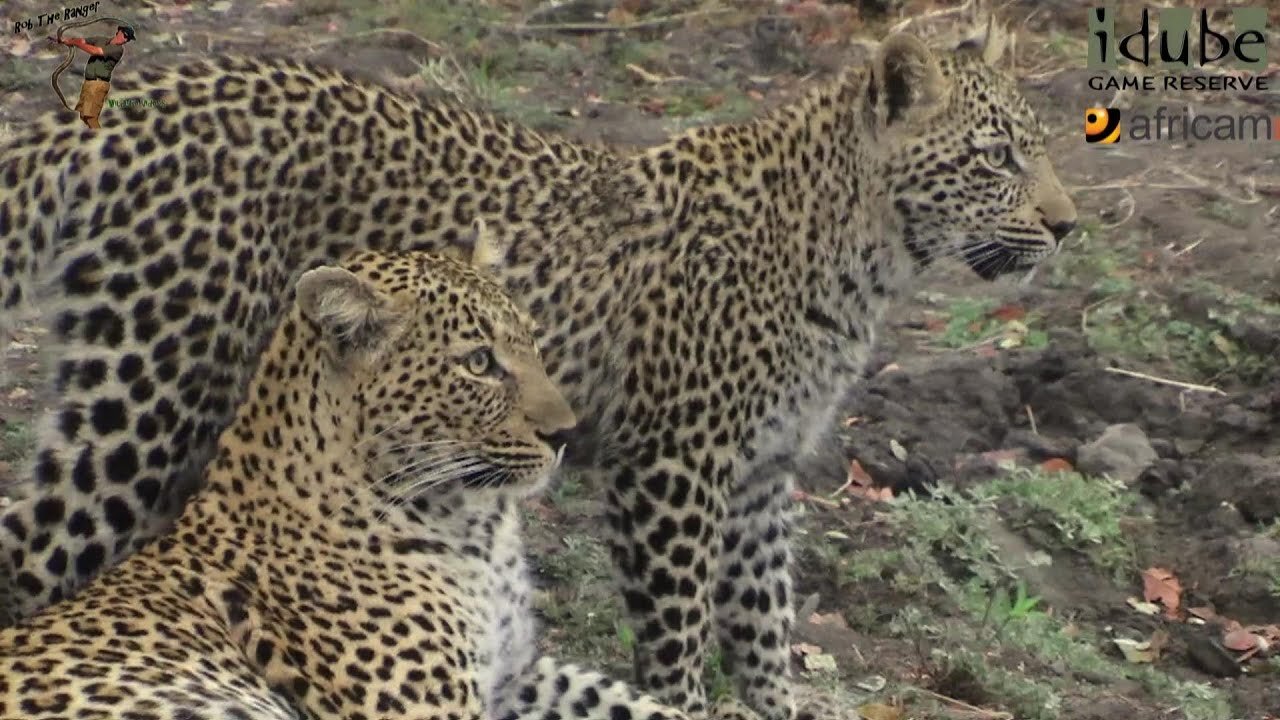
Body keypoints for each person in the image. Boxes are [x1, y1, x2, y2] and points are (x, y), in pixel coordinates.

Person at [47, 25, 136, 129]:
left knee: (90, 117)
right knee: (81, 115)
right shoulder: (101, 39)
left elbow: (96, 51)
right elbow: (82, 41)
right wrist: (65, 41)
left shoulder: (118, 50)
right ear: (119, 32)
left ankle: (98, 138)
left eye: (127, 39)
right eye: (125, 35)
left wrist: (76, 43)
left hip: (98, 84)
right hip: (89, 82)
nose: (125, 39)